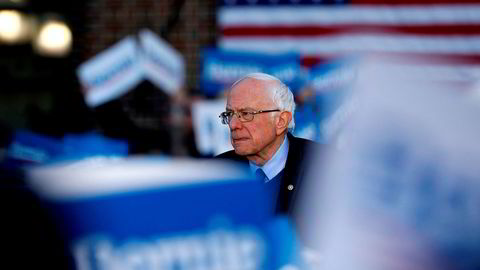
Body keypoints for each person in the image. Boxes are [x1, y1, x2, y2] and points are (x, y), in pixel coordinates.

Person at [216, 72, 318, 220]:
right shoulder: (218, 171)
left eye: (246, 114)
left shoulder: (324, 166)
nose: (233, 124)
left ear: (281, 121)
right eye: (229, 114)